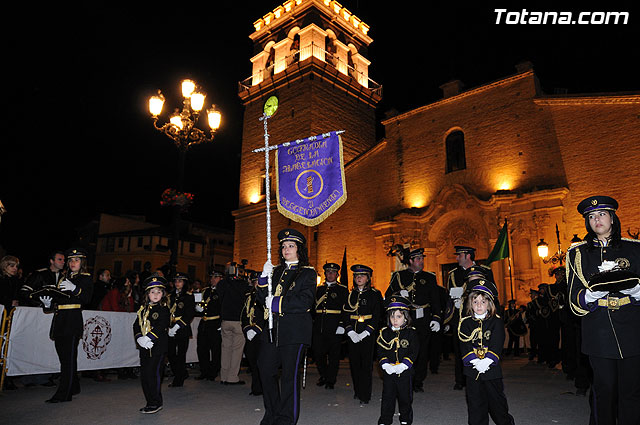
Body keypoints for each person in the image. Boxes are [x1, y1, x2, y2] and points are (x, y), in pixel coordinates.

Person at [568, 195, 640, 425]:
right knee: (604, 391)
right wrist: (590, 296)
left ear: (612, 217)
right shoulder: (578, 254)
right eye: (591, 216)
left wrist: (637, 292)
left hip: (632, 329)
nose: (596, 219)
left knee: (631, 392)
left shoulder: (634, 249)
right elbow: (573, 296)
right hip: (598, 331)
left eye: (601, 214)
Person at [257, 228, 317, 425]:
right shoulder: (276, 271)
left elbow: (304, 301)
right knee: (265, 370)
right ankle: (272, 413)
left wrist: (276, 303)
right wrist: (263, 279)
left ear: (299, 249)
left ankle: (286, 418)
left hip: (294, 332)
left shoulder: (307, 272)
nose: (286, 249)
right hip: (273, 330)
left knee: (289, 377)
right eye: (283, 246)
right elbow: (261, 299)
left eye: (290, 246)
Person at [38, 248, 93, 403]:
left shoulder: (85, 278)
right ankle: (74, 386)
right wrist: (48, 304)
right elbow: (58, 298)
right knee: (64, 358)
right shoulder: (63, 277)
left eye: (76, 260)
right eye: (70, 260)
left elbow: (87, 298)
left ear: (82, 262)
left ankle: (64, 393)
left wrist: (75, 288)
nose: (72, 263)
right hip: (60, 319)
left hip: (72, 320)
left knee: (68, 359)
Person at [459, 282, 515, 425]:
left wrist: (487, 361)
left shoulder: (496, 321)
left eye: (483, 302)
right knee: (475, 404)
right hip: (472, 370)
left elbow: (497, 343)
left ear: (489, 304)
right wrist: (476, 362)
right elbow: (464, 345)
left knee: (497, 402)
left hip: (492, 369)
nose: (479, 305)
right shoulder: (465, 323)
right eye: (475, 301)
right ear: (470, 304)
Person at [386, 248, 441, 393]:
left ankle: (418, 381)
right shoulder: (399, 276)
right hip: (406, 318)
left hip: (423, 318)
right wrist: (398, 293)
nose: (421, 262)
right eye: (418, 259)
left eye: (422, 259)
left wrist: (436, 318)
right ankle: (405, 376)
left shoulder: (429, 277)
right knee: (404, 348)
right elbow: (387, 295)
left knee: (422, 350)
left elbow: (435, 300)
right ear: (410, 261)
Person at [447, 247, 496, 390]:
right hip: (461, 317)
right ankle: (460, 379)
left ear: (468, 256)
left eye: (459, 255)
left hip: (480, 315)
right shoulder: (453, 274)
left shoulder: (485, 271)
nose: (457, 258)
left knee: (482, 344)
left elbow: (493, 292)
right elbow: (448, 295)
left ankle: (483, 373)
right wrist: (454, 301)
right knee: (460, 348)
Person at [377, 296, 419, 425]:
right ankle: (385, 419)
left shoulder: (411, 333)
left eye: (398, 316)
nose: (395, 320)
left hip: (405, 372)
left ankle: (405, 419)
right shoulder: (384, 333)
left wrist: (404, 365)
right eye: (392, 316)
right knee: (387, 397)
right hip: (389, 371)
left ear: (406, 317)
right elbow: (380, 350)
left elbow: (414, 351)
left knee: (405, 398)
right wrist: (385, 364)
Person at [345, 264, 383, 404]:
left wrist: (367, 331)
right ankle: (357, 390)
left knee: (366, 365)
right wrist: (349, 331)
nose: (358, 278)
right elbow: (345, 314)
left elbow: (377, 314)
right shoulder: (350, 294)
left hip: (367, 333)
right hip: (352, 334)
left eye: (362, 275)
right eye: (356, 276)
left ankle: (365, 394)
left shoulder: (374, 294)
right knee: (354, 364)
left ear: (368, 278)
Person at [133, 276, 170, 414]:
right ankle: (149, 401)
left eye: (159, 292)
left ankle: (156, 402)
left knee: (153, 374)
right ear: (147, 294)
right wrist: (139, 338)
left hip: (158, 347)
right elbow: (136, 325)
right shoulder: (142, 309)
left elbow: (162, 325)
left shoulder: (163, 309)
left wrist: (149, 338)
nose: (156, 295)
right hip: (144, 347)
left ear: (163, 294)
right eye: (152, 292)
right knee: (145, 375)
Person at [312, 262, 349, 389]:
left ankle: (331, 380)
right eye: (328, 272)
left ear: (337, 274)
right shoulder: (319, 290)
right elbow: (312, 308)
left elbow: (346, 309)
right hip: (319, 326)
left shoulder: (342, 290)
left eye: (333, 272)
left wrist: (341, 324)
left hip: (335, 327)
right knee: (318, 353)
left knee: (334, 356)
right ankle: (324, 374)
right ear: (325, 274)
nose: (330, 274)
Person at [218, 261, 250, 385]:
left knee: (225, 349)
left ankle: (224, 376)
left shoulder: (222, 284)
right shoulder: (242, 284)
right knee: (236, 351)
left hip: (225, 320)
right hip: (238, 321)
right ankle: (232, 377)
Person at [167, 272, 195, 387]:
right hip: (170, 327)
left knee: (181, 355)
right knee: (170, 353)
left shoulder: (188, 296)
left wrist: (178, 326)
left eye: (180, 281)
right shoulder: (170, 296)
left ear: (184, 283)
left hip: (182, 329)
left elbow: (189, 314)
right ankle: (181, 373)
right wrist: (168, 326)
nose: (177, 283)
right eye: (176, 281)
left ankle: (178, 380)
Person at [195, 270, 223, 381]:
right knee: (202, 348)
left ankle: (213, 372)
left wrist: (221, 323)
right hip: (204, 323)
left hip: (215, 322)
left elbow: (224, 308)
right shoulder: (205, 291)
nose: (213, 279)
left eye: (216, 277)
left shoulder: (222, 291)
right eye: (212, 277)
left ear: (221, 278)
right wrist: (198, 308)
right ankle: (204, 371)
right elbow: (200, 304)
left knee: (215, 350)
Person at [241, 270, 264, 396]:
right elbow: (244, 314)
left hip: (261, 333)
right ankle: (256, 387)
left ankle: (263, 387)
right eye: (255, 281)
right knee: (252, 360)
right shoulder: (249, 296)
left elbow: (266, 316)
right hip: (249, 332)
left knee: (262, 362)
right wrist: (246, 328)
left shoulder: (266, 296)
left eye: (258, 282)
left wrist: (256, 329)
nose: (256, 284)